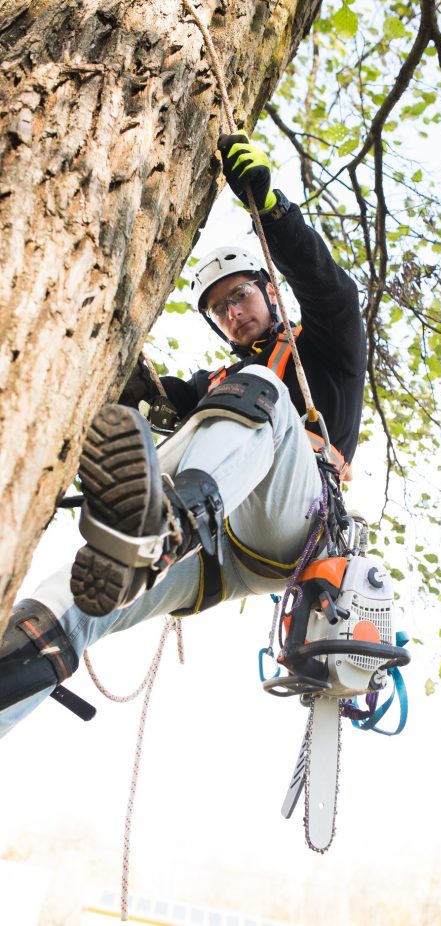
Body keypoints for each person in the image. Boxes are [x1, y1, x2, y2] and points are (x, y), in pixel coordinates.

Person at [0, 134, 366, 735]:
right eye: (220, 309)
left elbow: (335, 293)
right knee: (72, 596)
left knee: (261, 393)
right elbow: (153, 391)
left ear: (269, 291)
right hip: (214, 555)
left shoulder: (323, 354)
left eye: (241, 295)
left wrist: (271, 212)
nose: (233, 313)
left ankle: (169, 519)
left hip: (289, 525)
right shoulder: (216, 385)